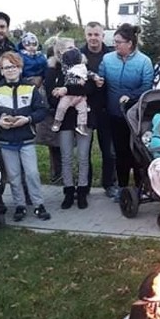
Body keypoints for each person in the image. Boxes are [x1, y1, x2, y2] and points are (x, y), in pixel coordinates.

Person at [0, 51, 51, 221]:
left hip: (26, 137)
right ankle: (19, 205)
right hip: (6, 140)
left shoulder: (30, 88)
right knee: (13, 176)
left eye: (14, 66)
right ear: (1, 70)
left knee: (32, 173)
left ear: (20, 69)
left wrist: (27, 119)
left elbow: (42, 111)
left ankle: (38, 204)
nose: (10, 70)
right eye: (6, 67)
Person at [45, 39, 101, 210]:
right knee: (66, 157)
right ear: (60, 52)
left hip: (84, 117)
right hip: (65, 120)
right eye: (70, 48)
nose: (75, 50)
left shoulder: (83, 67)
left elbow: (90, 89)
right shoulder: (53, 71)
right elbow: (50, 96)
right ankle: (69, 191)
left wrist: (66, 91)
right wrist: (71, 93)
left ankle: (83, 190)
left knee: (83, 157)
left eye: (75, 47)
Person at [99, 23, 153, 192]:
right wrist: (98, 80)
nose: (114, 45)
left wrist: (131, 96)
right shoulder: (108, 59)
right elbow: (101, 78)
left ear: (129, 43)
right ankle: (122, 188)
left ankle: (139, 187)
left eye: (118, 42)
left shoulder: (144, 61)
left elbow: (147, 86)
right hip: (114, 114)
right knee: (120, 152)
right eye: (114, 41)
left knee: (137, 152)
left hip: (136, 115)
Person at [79, 22, 117, 198]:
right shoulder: (78, 55)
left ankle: (109, 183)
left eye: (96, 34)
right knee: (84, 151)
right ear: (85, 35)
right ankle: (84, 185)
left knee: (109, 151)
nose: (93, 38)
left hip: (106, 108)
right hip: (84, 109)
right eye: (90, 34)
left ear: (103, 36)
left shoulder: (111, 55)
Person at [50, 47, 90, 136]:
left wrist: (95, 77)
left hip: (80, 97)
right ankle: (57, 121)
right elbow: (68, 80)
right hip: (67, 97)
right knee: (61, 107)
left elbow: (88, 81)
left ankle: (81, 126)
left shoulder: (82, 67)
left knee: (83, 110)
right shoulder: (64, 68)